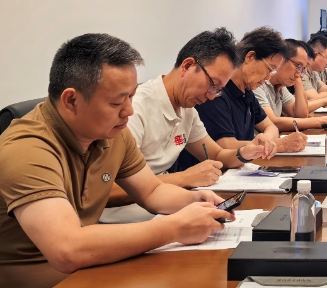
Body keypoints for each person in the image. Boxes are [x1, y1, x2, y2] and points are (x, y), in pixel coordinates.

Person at [0, 34, 233, 288]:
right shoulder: (27, 148)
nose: (129, 111)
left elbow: (152, 191)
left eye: (131, 96)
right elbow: (67, 248)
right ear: (71, 101)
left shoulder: (113, 134)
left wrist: (195, 200)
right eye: (116, 102)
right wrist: (174, 228)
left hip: (94, 268)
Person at [101, 28, 281, 223]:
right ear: (187, 66)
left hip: (164, 208)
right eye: (213, 84)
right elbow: (106, 190)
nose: (211, 96)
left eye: (219, 90)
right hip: (126, 220)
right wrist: (184, 178)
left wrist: (245, 152)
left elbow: (216, 155)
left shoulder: (187, 110)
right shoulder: (135, 110)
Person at [180, 28, 309, 171]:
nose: (268, 77)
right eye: (269, 69)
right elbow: (225, 146)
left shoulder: (247, 92)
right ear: (250, 57)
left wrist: (266, 141)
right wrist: (279, 145)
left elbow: (271, 126)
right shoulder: (215, 94)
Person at [255, 39, 327, 132]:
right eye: (298, 65)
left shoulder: (280, 86)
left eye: (303, 68)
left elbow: (301, 114)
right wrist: (320, 122)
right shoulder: (258, 83)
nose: (301, 73)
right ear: (280, 60)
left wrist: (297, 79)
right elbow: (271, 122)